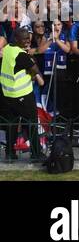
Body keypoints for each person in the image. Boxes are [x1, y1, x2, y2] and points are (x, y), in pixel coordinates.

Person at [1, 29, 45, 163]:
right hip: (23, 95)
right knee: (31, 123)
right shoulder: (21, 55)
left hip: (7, 94)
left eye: (28, 38)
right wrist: (31, 59)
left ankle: (10, 153)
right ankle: (36, 154)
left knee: (11, 124)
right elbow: (37, 74)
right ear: (16, 39)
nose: (28, 41)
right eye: (24, 38)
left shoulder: (8, 48)